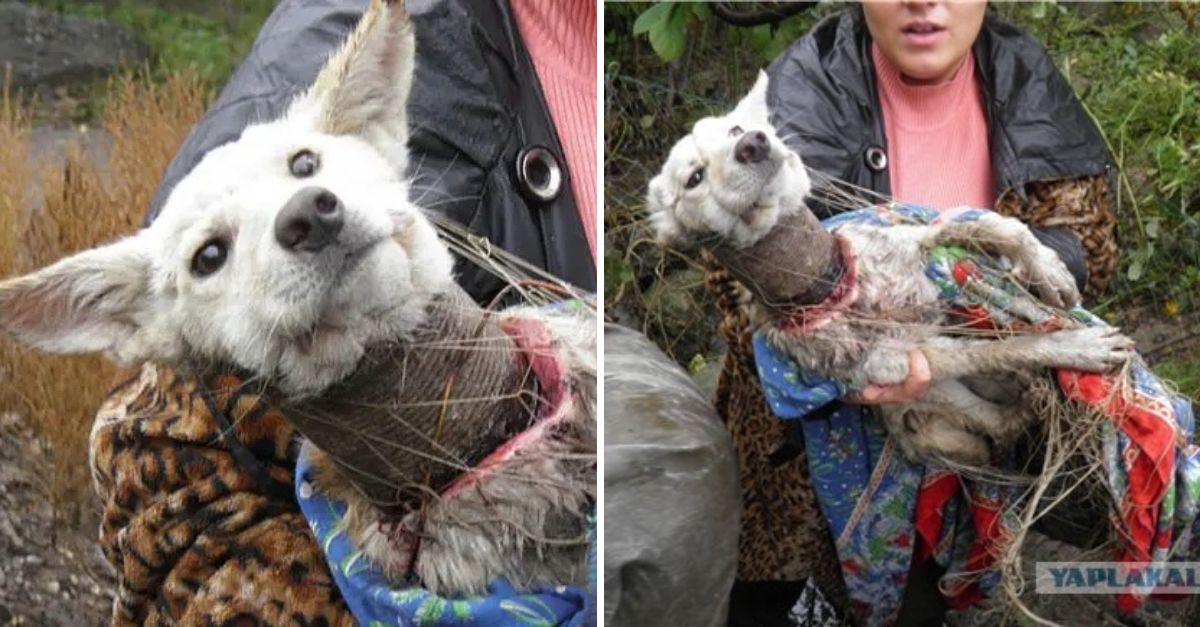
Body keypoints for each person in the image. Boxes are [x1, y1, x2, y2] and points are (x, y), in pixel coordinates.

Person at [87, 1, 598, 625]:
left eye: (305, 169)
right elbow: (158, 458)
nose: (301, 206)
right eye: (212, 252)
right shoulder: (335, 35)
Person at [712, 2, 1119, 625]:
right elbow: (732, 289)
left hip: (979, 410)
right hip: (814, 450)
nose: (922, 3)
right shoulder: (795, 96)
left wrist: (976, 289)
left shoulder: (1024, 77)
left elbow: (1085, 241)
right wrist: (853, 362)